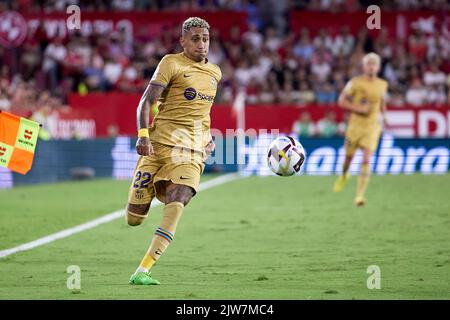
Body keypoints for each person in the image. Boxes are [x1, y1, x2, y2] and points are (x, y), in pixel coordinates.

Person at [126, 17, 221, 285]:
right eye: (195, 39)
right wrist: (143, 135)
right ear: (183, 41)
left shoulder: (215, 73)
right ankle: (158, 186)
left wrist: (208, 137)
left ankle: (143, 270)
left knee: (179, 199)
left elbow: (204, 112)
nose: (201, 44)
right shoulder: (171, 63)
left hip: (191, 150)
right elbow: (146, 101)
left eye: (205, 38)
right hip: (156, 146)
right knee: (134, 218)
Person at [332, 53, 388, 206]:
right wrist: (357, 108)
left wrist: (386, 117)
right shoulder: (355, 83)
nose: (371, 66)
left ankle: (359, 196)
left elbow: (382, 103)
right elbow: (341, 101)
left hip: (372, 126)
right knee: (348, 158)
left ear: (378, 67)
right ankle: (344, 176)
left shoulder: (382, 84)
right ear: (364, 66)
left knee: (366, 159)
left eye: (374, 64)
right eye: (368, 64)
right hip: (355, 126)